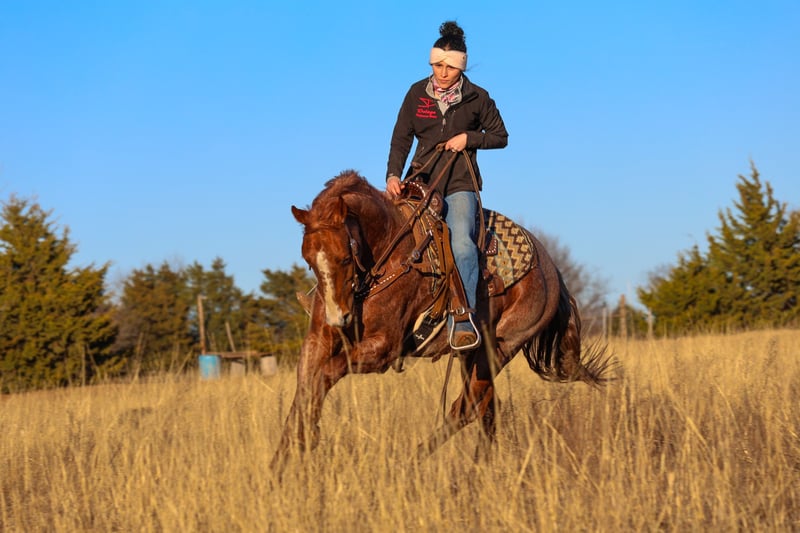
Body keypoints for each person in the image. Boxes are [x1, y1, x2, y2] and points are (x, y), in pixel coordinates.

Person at [386, 21, 508, 350]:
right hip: (419, 181)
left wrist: (469, 138)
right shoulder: (416, 94)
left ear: (461, 67)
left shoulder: (478, 98)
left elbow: (500, 137)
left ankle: (463, 319)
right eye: (437, 65)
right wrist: (393, 175)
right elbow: (401, 138)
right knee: (388, 235)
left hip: (459, 182)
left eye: (450, 67)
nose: (442, 73)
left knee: (463, 245)